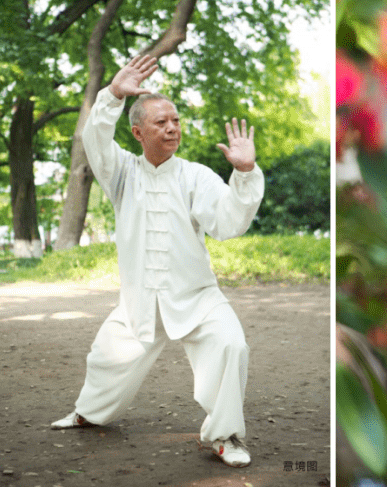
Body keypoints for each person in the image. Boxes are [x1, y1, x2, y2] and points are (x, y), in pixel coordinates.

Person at [51, 55, 265, 469]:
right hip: (139, 300)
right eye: (161, 122)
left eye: (176, 121)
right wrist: (112, 94)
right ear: (137, 132)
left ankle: (224, 435)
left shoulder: (196, 175)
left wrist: (245, 172)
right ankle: (87, 414)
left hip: (196, 296)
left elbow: (227, 223)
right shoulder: (121, 173)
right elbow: (95, 139)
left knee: (231, 344)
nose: (171, 128)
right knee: (105, 359)